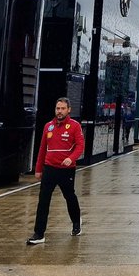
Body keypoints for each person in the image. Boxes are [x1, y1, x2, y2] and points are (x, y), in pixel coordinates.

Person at [28, 97, 84, 243]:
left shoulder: (74, 126)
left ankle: (76, 222)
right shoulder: (48, 126)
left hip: (66, 169)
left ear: (69, 110)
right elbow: (42, 149)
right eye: (57, 108)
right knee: (43, 200)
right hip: (49, 169)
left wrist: (71, 158)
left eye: (63, 109)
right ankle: (39, 234)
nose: (59, 111)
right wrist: (38, 169)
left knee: (69, 197)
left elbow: (80, 146)